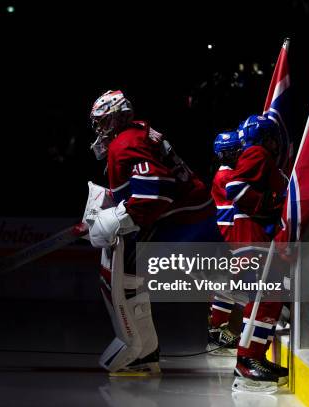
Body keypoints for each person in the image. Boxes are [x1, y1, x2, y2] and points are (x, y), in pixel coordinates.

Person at [85, 90, 220, 376]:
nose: (99, 128)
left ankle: (139, 351)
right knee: (128, 274)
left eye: (103, 121)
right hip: (189, 214)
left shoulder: (126, 143)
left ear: (117, 117)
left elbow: (156, 191)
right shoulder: (138, 132)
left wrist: (118, 218)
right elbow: (144, 185)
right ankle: (144, 350)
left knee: (119, 276)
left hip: (183, 220)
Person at [225, 114, 289, 393]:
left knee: (268, 298)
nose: (276, 144)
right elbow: (234, 188)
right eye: (272, 138)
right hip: (253, 238)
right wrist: (268, 204)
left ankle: (254, 357)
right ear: (265, 138)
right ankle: (247, 361)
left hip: (254, 238)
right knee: (264, 298)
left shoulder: (257, 153)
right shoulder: (257, 153)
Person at [207, 131, 244, 356]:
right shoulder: (227, 177)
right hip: (230, 239)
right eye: (238, 150)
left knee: (225, 286)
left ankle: (216, 326)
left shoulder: (223, 174)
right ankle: (222, 329)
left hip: (226, 239)